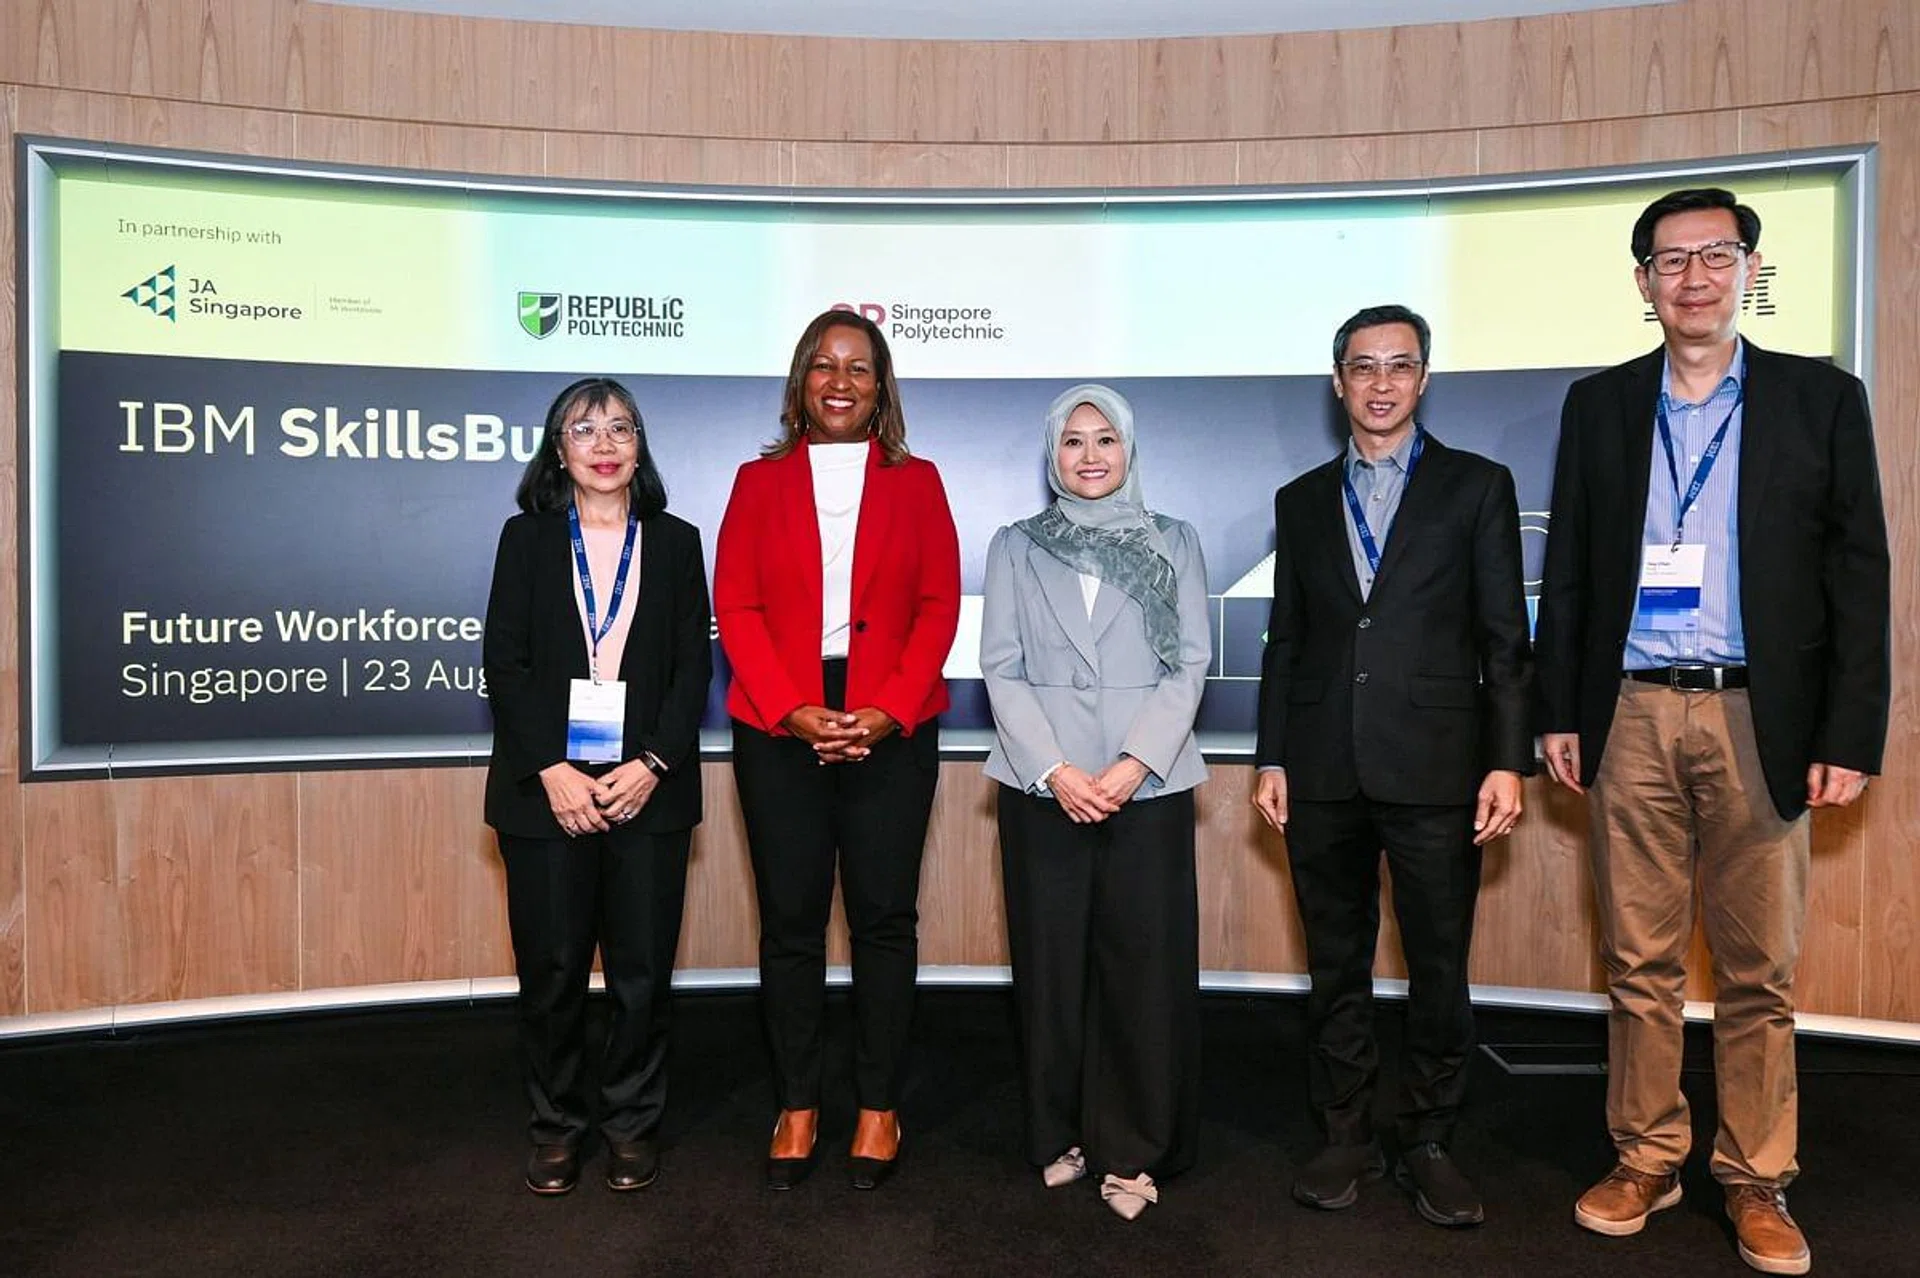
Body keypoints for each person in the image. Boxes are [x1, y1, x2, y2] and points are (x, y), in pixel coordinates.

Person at [1535, 187, 1888, 1277]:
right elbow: (1576, 570)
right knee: (1637, 960)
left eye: (1714, 255)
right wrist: (1558, 711)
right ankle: (1646, 1155)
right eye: (1670, 260)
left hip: (1759, 714)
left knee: (1757, 969)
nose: (1693, 277)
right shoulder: (1599, 407)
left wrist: (1851, 731)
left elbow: (1857, 575)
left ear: (1749, 268)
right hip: (1632, 709)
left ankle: (1756, 1177)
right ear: (1642, 283)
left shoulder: (1819, 399)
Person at [1252, 304, 1533, 1228]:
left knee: (1438, 964)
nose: (1380, 384)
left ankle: (1430, 1140)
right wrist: (1272, 757)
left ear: (1423, 379)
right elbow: (1286, 639)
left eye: (1399, 366)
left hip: (1440, 769)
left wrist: (1507, 763)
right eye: (1363, 368)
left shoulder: (1476, 486)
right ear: (1338, 383)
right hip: (1323, 767)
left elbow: (1505, 639)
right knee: (1335, 965)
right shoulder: (1299, 500)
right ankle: (1344, 1134)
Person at [713, 308, 961, 1191]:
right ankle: (798, 1105)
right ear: (801, 382)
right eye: (824, 366)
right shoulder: (755, 481)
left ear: (882, 385)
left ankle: (879, 1105)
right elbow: (735, 608)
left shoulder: (919, 480)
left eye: (859, 367)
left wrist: (888, 708)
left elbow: (939, 605)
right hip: (779, 725)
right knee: (790, 924)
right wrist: (790, 709)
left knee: (884, 921)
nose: (842, 381)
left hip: (892, 726)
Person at [980, 384, 1213, 1222]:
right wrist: (1055, 771)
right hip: (1043, 789)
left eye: (1105, 440)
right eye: (1073, 441)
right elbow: (1000, 667)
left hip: (1144, 786)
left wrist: (1128, 764)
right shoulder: (1015, 545)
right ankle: (1062, 1136)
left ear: (1129, 451)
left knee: (1141, 975)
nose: (1089, 456)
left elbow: (1190, 664)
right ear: (1053, 454)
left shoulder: (1173, 541)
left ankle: (1135, 1150)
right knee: (1051, 971)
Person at [482, 376, 713, 1196]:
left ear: (640, 445)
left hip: (646, 788)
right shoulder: (528, 539)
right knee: (551, 972)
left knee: (642, 976)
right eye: (585, 431)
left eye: (620, 428)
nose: (606, 444)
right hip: (546, 794)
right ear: (559, 451)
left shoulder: (678, 542)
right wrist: (550, 769)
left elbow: (693, 670)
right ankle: (555, 1127)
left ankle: (630, 1126)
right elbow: (503, 666)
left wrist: (652, 764)